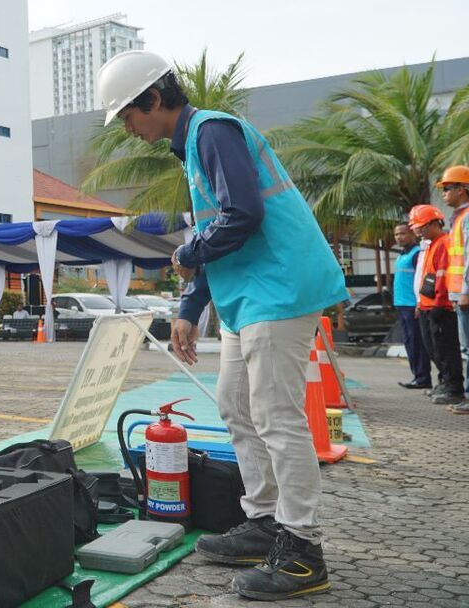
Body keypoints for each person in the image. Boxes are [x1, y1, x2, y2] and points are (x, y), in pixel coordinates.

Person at [97, 50, 348, 601]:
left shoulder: (212, 132)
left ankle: (303, 549)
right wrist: (190, 307)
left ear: (155, 101)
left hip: (279, 289)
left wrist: (189, 253)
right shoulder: (192, 147)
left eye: (129, 117)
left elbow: (244, 215)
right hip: (248, 294)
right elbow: (222, 226)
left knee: (277, 416)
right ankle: (262, 522)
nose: (129, 130)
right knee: (235, 403)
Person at [409, 204, 464, 405]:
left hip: (439, 307)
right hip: (427, 306)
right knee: (434, 349)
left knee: (446, 349)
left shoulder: (443, 243)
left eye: (422, 226)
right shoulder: (430, 245)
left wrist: (440, 303)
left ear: (434, 223)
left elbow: (442, 277)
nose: (418, 231)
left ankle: (453, 387)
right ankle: (445, 382)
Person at [436, 166, 469, 414]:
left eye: (447, 188)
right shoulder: (459, 218)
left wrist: (465, 291)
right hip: (459, 294)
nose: (444, 194)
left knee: (467, 350)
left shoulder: (466, 217)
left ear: (462, 189)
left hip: (465, 294)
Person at [391, 223, 428, 389]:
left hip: (412, 305)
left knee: (417, 342)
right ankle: (417, 376)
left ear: (412, 234)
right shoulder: (401, 255)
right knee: (409, 342)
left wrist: (419, 303)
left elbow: (421, 279)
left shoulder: (416, 254)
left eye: (403, 233)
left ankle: (422, 377)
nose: (399, 237)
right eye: (397, 234)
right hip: (401, 305)